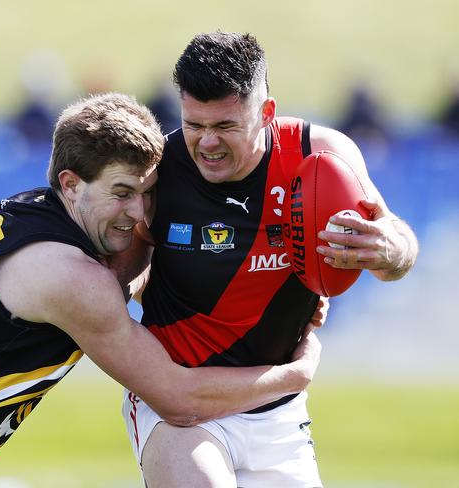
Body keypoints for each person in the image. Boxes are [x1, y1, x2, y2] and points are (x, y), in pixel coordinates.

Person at [0, 93, 323, 488]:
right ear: (72, 183)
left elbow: (132, 274)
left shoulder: (46, 218)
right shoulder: (69, 276)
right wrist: (293, 374)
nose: (139, 214)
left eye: (148, 195)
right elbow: (177, 399)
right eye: (122, 193)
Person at [120, 32, 419, 488]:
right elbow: (121, 273)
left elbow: (395, 248)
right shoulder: (159, 170)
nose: (206, 143)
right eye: (194, 124)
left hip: (277, 415)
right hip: (180, 410)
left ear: (266, 114)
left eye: (224, 126)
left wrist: (390, 249)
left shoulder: (321, 156)